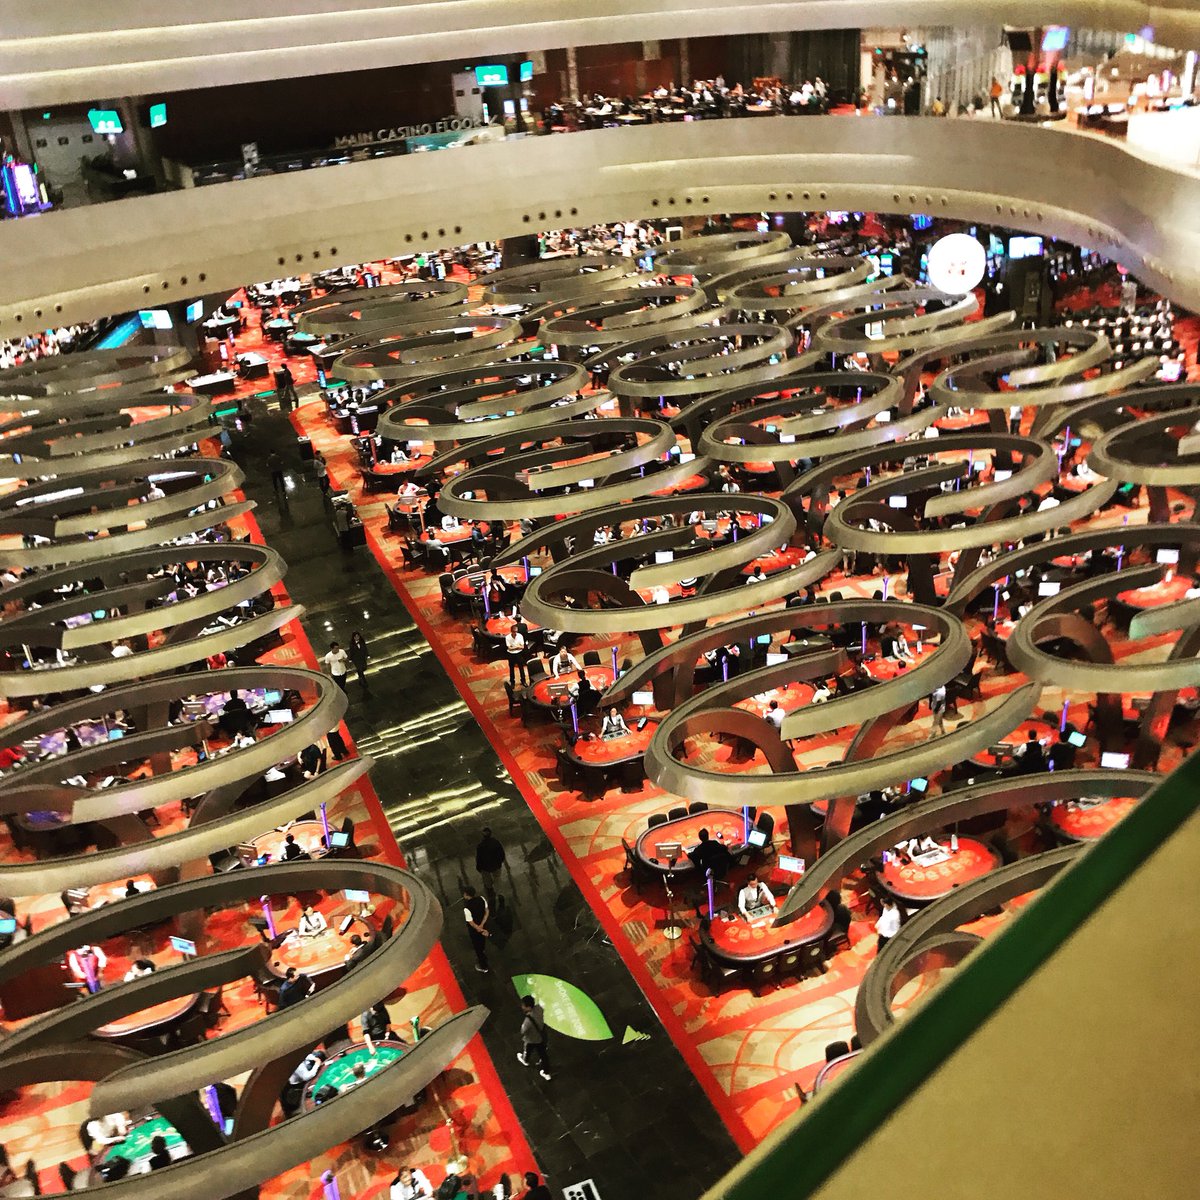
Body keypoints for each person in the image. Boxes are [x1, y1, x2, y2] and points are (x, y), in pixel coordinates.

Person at [517, 994, 552, 1080]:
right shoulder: (539, 1008)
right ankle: (546, 1073)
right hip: (541, 1037)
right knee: (543, 1055)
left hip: (531, 1039)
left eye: (524, 1006)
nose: (522, 1007)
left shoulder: (528, 1021)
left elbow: (523, 1031)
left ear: (529, 1007)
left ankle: (525, 1060)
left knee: (528, 1050)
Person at [463, 885, 491, 974]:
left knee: (478, 948)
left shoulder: (467, 908)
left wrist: (478, 928)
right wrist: (482, 925)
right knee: (482, 942)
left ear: (466, 895)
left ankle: (484, 966)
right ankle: (483, 952)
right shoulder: (481, 899)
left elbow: (471, 922)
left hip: (475, 931)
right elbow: (487, 911)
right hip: (483, 926)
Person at [475, 827, 506, 897]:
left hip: (485, 867)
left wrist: (479, 867)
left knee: (487, 881)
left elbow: (479, 857)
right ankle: (499, 893)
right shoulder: (496, 842)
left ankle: (490, 891)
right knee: (497, 879)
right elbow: (502, 853)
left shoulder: (480, 845)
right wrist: (500, 861)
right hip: (496, 865)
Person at [504, 622, 530, 688]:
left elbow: (522, 647)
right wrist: (517, 646)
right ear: (511, 631)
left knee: (521, 668)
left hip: (519, 654)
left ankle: (523, 681)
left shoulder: (520, 636)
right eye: (514, 632)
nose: (515, 633)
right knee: (511, 669)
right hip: (511, 654)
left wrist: (514, 647)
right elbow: (509, 648)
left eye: (516, 631)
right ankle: (512, 682)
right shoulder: (507, 637)